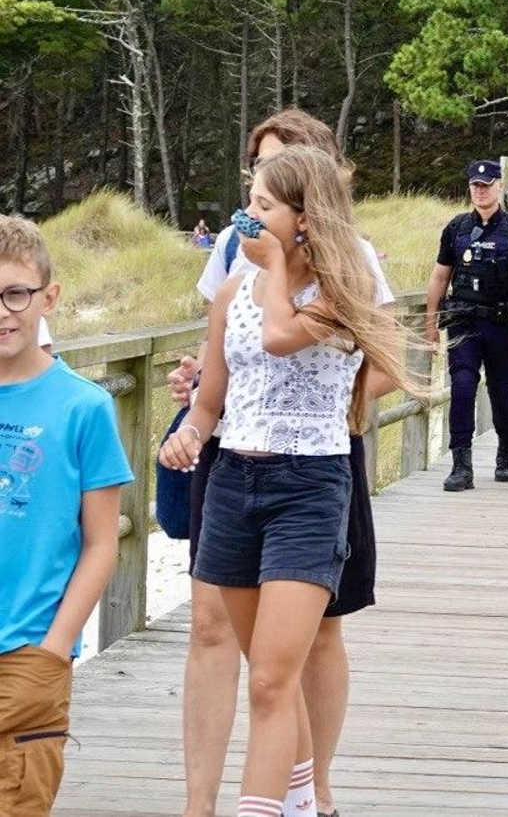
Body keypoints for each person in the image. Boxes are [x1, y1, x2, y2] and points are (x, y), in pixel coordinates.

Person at [157, 146, 420, 817]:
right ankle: (301, 799)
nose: (247, 216)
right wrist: (189, 433)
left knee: (274, 678)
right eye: (249, 200)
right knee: (260, 671)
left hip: (310, 484)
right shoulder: (227, 294)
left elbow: (279, 336)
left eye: (265, 207)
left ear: (304, 219)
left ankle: (264, 808)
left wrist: (272, 267)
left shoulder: (340, 290)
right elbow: (213, 397)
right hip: (234, 482)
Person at [0, 215, 133, 816]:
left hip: (31, 648)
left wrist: (56, 647)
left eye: (15, 293)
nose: (3, 311)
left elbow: (102, 543)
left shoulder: (85, 406)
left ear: (47, 297)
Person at [425, 160, 508, 491]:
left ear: (499, 187)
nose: (480, 190)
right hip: (464, 321)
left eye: (487, 184)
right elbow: (439, 275)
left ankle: (507, 444)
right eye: (475, 185)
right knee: (462, 385)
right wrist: (430, 320)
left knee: (500, 389)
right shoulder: (456, 228)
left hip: (504, 323)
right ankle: (461, 465)